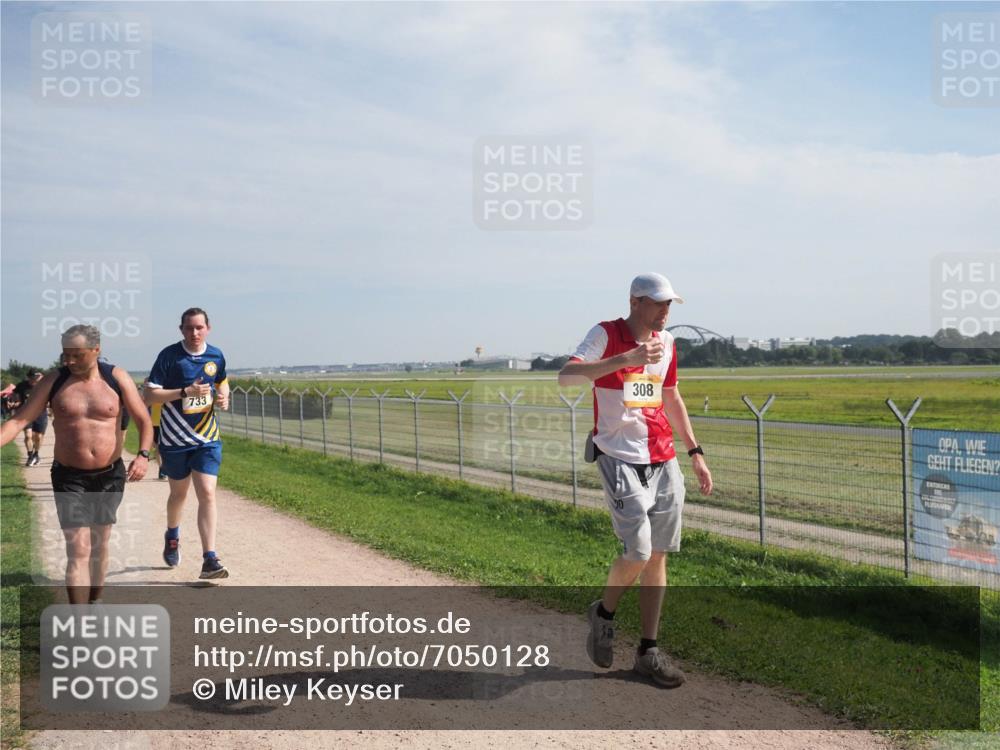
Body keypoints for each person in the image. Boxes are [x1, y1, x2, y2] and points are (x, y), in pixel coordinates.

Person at [559, 272, 713, 688]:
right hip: (619, 456)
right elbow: (567, 376)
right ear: (635, 302)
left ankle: (648, 651)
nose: (666, 311)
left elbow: (671, 396)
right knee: (638, 550)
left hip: (663, 457)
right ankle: (604, 614)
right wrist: (624, 360)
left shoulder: (668, 344)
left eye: (670, 304)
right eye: (659, 303)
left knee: (658, 553)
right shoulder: (606, 334)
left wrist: (695, 452)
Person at [0, 325, 153, 604]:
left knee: (99, 544)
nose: (69, 361)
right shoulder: (54, 381)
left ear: (96, 350)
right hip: (69, 476)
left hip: (109, 475)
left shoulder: (116, 378)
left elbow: (143, 419)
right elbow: (19, 420)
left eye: (77, 355)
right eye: (65, 355)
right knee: (77, 548)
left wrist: (143, 455)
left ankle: (95, 600)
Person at [144, 307, 230, 580]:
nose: (195, 333)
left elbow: (222, 380)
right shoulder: (169, 356)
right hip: (174, 439)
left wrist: (223, 397)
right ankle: (172, 536)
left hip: (207, 438)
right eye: (189, 328)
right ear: (181, 329)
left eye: (199, 327)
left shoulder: (216, 355)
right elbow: (149, 395)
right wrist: (184, 392)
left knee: (207, 492)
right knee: (178, 495)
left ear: (208, 328)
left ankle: (210, 558)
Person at [14, 371, 47, 466]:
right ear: (28, 377)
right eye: (33, 377)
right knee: (28, 435)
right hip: (26, 414)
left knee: (38, 437)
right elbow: (15, 395)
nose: (35, 379)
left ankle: (36, 454)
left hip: (40, 413)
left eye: (37, 377)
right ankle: (30, 456)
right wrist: (15, 402)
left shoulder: (43, 386)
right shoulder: (21, 385)